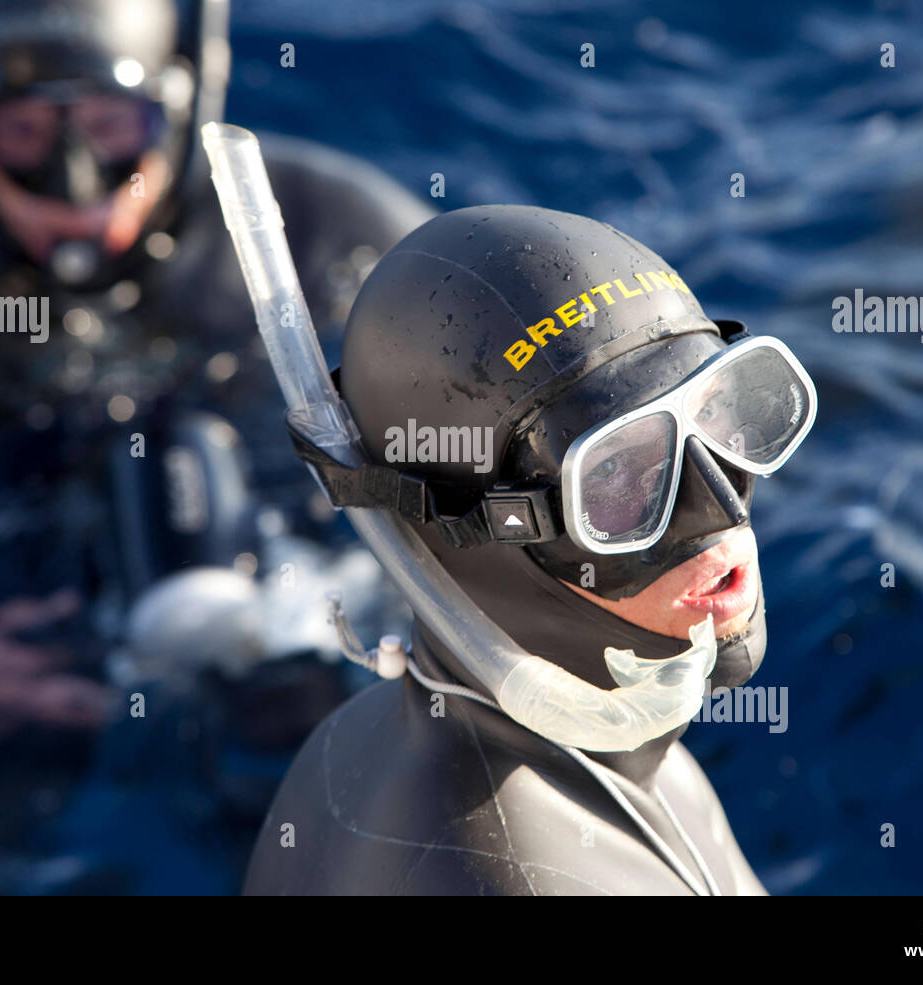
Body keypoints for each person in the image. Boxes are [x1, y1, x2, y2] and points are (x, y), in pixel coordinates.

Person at [0, 0, 430, 893]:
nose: (75, 183)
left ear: (181, 99)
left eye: (111, 126)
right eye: (21, 132)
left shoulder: (335, 241)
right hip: (12, 597)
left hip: (284, 576)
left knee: (325, 769)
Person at [241, 205, 817, 895]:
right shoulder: (517, 873)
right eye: (613, 473)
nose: (720, 504)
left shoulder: (364, 740)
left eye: (717, 412)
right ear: (481, 534)